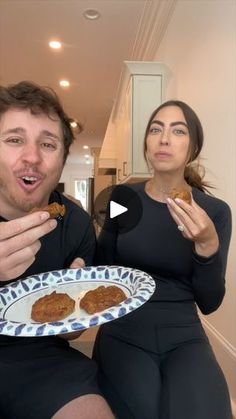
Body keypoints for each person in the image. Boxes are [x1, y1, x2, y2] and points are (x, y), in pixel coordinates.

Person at [93, 100, 233, 419]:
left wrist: (208, 244)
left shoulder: (215, 212)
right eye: (156, 129)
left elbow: (210, 302)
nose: (164, 138)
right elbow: (101, 266)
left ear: (193, 147)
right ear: (146, 143)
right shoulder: (122, 198)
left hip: (184, 333)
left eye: (178, 130)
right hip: (125, 327)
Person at [0, 81, 114, 419]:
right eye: (14, 140)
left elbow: (71, 334)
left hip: (40, 358)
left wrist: (75, 307)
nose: (31, 157)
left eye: (47, 144)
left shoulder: (76, 223)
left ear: (62, 160)